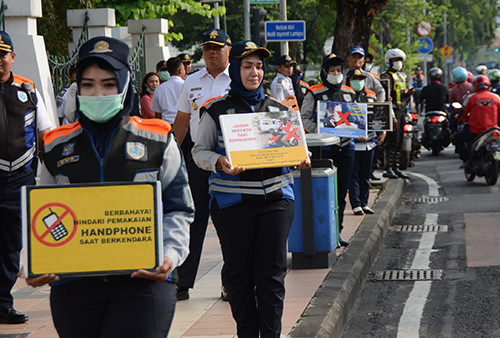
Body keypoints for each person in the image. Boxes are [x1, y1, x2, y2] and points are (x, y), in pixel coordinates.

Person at [24, 36, 194, 337]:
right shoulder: (55, 146)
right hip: (74, 286)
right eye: (87, 85)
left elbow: (179, 207)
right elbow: (41, 213)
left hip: (144, 282)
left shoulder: (157, 139)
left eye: (108, 84)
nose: (97, 93)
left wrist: (169, 254)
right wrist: (35, 261)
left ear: (125, 84)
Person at [192, 39, 310, 338]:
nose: (254, 72)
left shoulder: (278, 110)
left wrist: (299, 159)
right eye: (247, 66)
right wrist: (219, 161)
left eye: (258, 67)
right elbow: (198, 152)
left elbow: (296, 152)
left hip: (276, 201)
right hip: (232, 206)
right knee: (238, 275)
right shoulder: (215, 110)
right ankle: (247, 331)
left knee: (271, 276)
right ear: (234, 69)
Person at [172, 28, 232, 301]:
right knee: (193, 221)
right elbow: (183, 121)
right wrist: (171, 157)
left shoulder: (238, 79)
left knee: (228, 221)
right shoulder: (192, 80)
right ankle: (183, 282)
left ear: (228, 50)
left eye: (217, 47)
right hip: (197, 160)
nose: (211, 52)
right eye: (208, 47)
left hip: (229, 161)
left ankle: (230, 282)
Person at [0, 31, 53, 324]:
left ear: (12, 57)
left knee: (11, 245)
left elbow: (45, 135)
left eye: (2, 55)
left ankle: (3, 303)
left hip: (20, 176)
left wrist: (54, 176)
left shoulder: (28, 89)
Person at [301, 53, 356, 246]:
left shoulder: (349, 92)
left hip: (346, 147)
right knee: (323, 191)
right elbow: (304, 118)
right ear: (325, 72)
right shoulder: (314, 92)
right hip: (324, 149)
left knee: (342, 192)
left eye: (339, 71)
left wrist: (361, 129)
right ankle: (322, 231)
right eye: (332, 71)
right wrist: (319, 130)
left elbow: (356, 118)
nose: (336, 74)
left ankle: (338, 231)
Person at [345, 69, 385, 216]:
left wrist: (383, 131)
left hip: (370, 142)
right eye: (354, 78)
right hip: (352, 143)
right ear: (348, 80)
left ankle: (364, 202)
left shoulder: (370, 96)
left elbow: (379, 116)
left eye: (360, 78)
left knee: (366, 174)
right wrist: (354, 134)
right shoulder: (344, 97)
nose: (358, 81)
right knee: (353, 175)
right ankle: (355, 204)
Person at [380, 48, 414, 179]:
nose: (398, 63)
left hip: (401, 111)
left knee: (400, 140)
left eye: (400, 60)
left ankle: (396, 167)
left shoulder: (402, 76)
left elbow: (402, 96)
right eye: (396, 60)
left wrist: (408, 94)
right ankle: (388, 167)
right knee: (392, 141)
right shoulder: (386, 77)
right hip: (391, 111)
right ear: (389, 61)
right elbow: (385, 97)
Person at [455, 75, 500, 166]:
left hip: (476, 130)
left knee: (457, 137)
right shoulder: (496, 97)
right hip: (493, 129)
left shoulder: (471, 98)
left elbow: (463, 114)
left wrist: (460, 120)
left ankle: (466, 160)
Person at [150, 56, 186, 123]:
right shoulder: (187, 86)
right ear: (180, 70)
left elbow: (157, 114)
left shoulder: (159, 88)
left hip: (166, 126)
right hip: (185, 126)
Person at [449, 67, 472, 133]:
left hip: (459, 113)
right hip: (472, 112)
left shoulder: (454, 89)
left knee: (452, 118)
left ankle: (454, 133)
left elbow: (451, 101)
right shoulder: (472, 86)